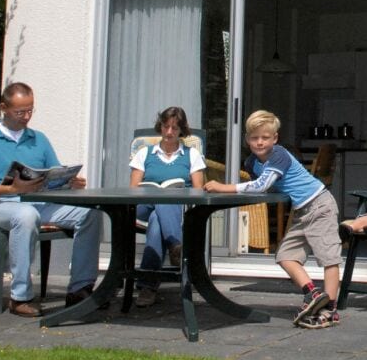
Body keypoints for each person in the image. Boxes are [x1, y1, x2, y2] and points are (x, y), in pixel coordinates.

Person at [0, 82, 103, 317]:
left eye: (30, 110)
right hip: (0, 206)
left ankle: (80, 289)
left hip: (39, 203)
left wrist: (69, 181)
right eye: (20, 112)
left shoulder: (38, 139)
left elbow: (53, 172)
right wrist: (10, 190)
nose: (26, 117)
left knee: (91, 213)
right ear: (3, 108)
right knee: (26, 215)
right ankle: (20, 297)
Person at [204, 110, 343, 329]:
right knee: (285, 255)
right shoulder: (251, 162)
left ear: (274, 138)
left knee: (328, 257)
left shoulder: (280, 155)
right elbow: (257, 187)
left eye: (265, 137)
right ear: (247, 139)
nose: (259, 142)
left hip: (319, 205)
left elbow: (262, 185)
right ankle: (313, 293)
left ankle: (331, 310)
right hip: (301, 211)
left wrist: (224, 187)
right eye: (254, 138)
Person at [129, 106, 206, 308]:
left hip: (177, 211)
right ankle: (175, 245)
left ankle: (147, 286)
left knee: (157, 220)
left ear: (182, 130)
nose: (169, 132)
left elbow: (198, 191)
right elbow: (133, 190)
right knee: (161, 201)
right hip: (143, 207)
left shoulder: (192, 155)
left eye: (174, 128)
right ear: (160, 127)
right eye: (166, 126)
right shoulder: (144, 153)